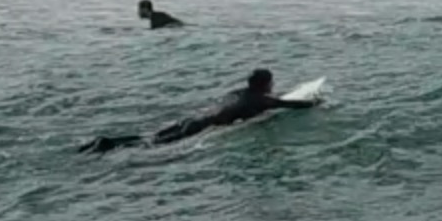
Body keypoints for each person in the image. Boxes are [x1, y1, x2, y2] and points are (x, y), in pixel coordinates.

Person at [82, 68, 318, 152]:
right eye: (271, 82)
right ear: (265, 84)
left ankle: (108, 142)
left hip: (193, 119)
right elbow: (293, 105)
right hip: (202, 127)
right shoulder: (262, 101)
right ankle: (107, 144)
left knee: (150, 138)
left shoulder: (240, 93)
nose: (273, 85)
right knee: (151, 145)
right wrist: (318, 103)